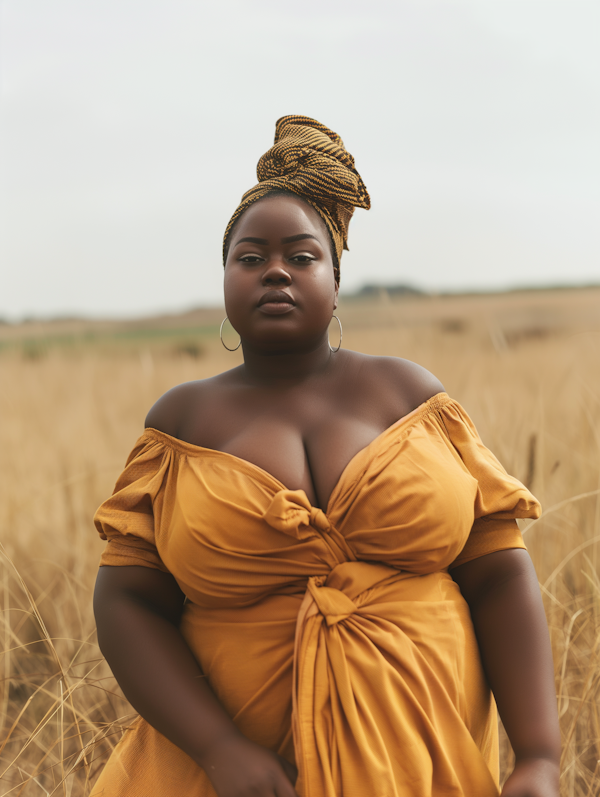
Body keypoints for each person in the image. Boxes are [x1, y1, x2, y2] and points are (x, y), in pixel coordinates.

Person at [92, 116, 560, 797]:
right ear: (224, 283)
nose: (274, 269)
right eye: (248, 257)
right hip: (238, 774)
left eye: (302, 256)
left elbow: (498, 572)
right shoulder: (181, 423)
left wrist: (540, 755)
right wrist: (220, 748)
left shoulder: (410, 397)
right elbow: (126, 600)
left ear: (336, 281)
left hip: (424, 760)